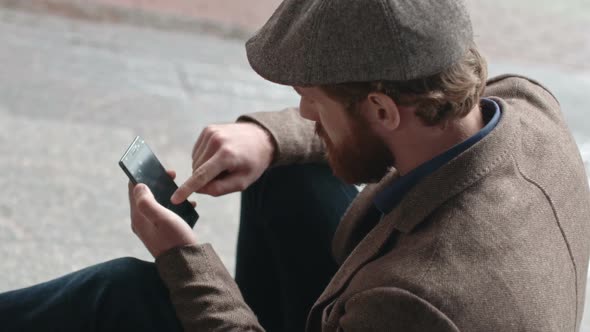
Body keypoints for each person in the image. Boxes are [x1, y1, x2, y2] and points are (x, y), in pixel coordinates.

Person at [1, 0, 589, 331]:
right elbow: (348, 133)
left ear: (383, 107)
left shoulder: (421, 301)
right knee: (287, 171)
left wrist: (184, 262)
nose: (301, 110)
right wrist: (268, 141)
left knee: (126, 293)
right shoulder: (525, 107)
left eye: (313, 97)